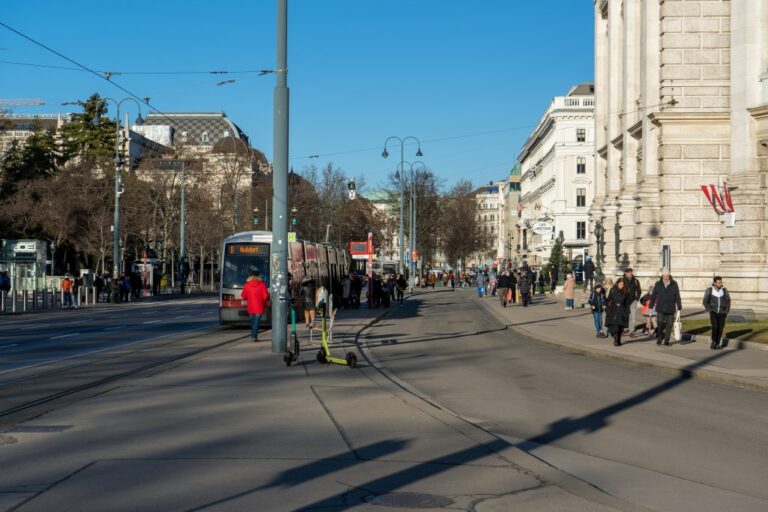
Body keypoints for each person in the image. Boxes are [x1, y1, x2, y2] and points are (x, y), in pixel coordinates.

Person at [651, 269, 682, 346]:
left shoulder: (674, 284)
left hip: (670, 307)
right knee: (660, 322)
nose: (666, 277)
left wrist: (679, 305)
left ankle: (666, 340)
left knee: (670, 324)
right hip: (661, 307)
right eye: (664, 276)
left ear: (669, 276)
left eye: (667, 276)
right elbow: (654, 295)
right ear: (662, 276)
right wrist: (651, 305)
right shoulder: (658, 284)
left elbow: (677, 295)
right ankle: (660, 336)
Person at [241, 271, 270, 342]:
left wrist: (247, 298)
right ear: (259, 276)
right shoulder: (262, 284)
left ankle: (253, 336)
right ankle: (254, 337)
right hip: (259, 306)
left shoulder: (247, 285)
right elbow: (265, 296)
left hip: (250, 306)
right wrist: (267, 299)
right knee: (256, 322)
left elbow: (243, 295)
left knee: (252, 322)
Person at [703, 276, 731, 350]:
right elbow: (705, 301)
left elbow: (728, 300)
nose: (720, 284)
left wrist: (726, 311)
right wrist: (709, 309)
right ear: (714, 283)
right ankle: (713, 342)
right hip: (713, 311)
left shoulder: (724, 290)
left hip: (722, 312)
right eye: (719, 283)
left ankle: (717, 343)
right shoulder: (710, 290)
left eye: (721, 282)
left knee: (720, 328)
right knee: (715, 327)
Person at [605, 279, 630, 346]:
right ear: (617, 284)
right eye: (620, 284)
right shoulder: (613, 290)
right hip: (613, 310)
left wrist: (627, 311)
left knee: (620, 327)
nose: (621, 286)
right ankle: (615, 338)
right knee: (613, 326)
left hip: (622, 311)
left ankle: (618, 339)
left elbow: (627, 303)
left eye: (622, 284)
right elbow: (608, 299)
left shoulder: (626, 292)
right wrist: (607, 307)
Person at [620, 268, 642, 337]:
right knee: (623, 316)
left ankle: (631, 332)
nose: (630, 273)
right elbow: (617, 289)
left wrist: (636, 299)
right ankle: (621, 331)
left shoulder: (635, 281)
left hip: (633, 301)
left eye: (631, 272)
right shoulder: (621, 280)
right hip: (623, 301)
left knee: (632, 316)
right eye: (629, 272)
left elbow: (639, 291)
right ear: (625, 273)